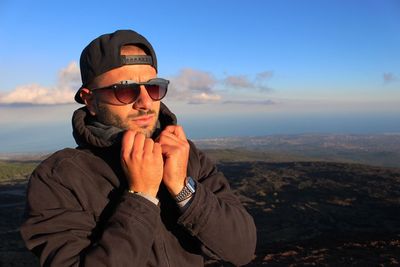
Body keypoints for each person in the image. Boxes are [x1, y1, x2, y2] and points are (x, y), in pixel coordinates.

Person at [20, 29, 257, 266]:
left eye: (153, 87)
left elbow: (242, 249)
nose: (145, 102)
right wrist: (140, 197)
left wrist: (182, 187)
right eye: (124, 90)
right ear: (90, 100)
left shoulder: (185, 154)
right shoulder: (59, 177)